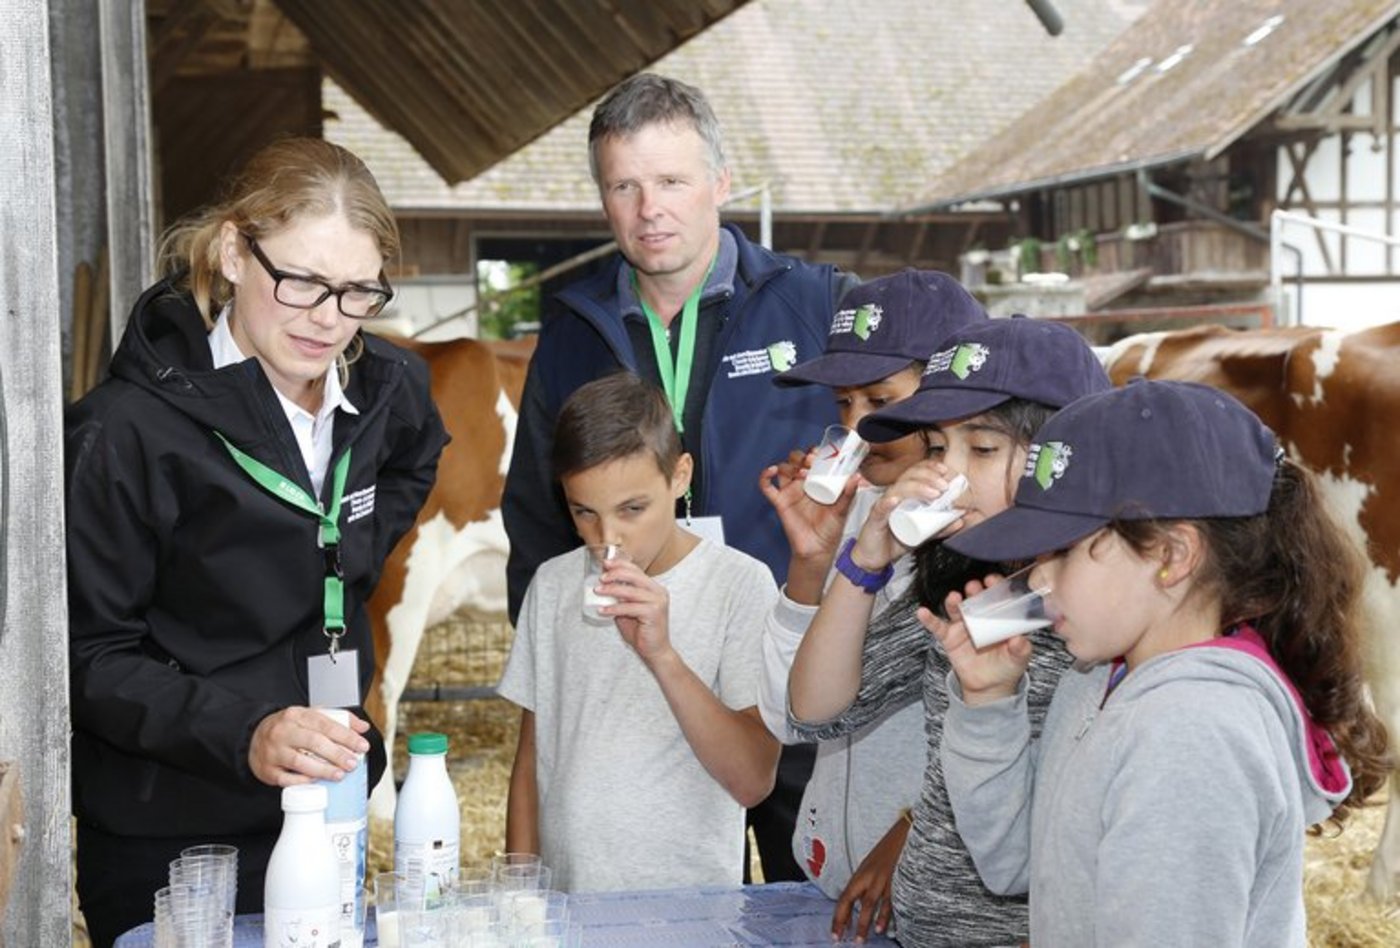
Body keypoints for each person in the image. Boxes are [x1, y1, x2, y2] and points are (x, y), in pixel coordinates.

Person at [65, 139, 448, 947]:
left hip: (327, 809)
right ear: (235, 251)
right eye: (303, 282)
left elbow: (417, 456)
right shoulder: (124, 433)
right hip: (171, 829)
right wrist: (247, 730)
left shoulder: (391, 391)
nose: (327, 320)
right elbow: (91, 657)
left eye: (356, 292)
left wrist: (336, 556)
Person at [501, 71, 857, 881]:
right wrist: (552, 662)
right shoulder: (571, 329)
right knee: (671, 879)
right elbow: (535, 508)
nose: (648, 208)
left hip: (784, 655)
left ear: (721, 183)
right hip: (642, 662)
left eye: (670, 181)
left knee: (812, 890)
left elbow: (885, 439)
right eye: (623, 185)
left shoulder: (815, 305)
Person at [928, 380, 1391, 947]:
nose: (1039, 578)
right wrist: (989, 703)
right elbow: (1016, 864)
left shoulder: (1189, 734)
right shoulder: (1106, 677)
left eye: (1063, 550)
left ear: (1171, 556)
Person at [786, 317, 1112, 947]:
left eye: (982, 450)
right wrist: (866, 558)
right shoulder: (980, 586)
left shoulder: (1096, 617)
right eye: (937, 449)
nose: (948, 478)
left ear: (1061, 454)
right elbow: (815, 711)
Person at [755, 269, 984, 939]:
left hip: (940, 893)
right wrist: (810, 565)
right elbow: (791, 716)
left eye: (882, 398)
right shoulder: (855, 512)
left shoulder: (994, 539)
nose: (858, 427)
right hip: (837, 883)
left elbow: (1021, 720)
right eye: (844, 401)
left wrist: (916, 826)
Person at [498, 373, 781, 892]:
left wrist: (663, 656)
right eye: (584, 512)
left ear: (680, 476)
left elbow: (753, 780)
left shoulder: (739, 584)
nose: (608, 538)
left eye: (633, 509)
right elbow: (531, 759)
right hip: (568, 905)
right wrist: (520, 896)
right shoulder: (554, 584)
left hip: (688, 911)